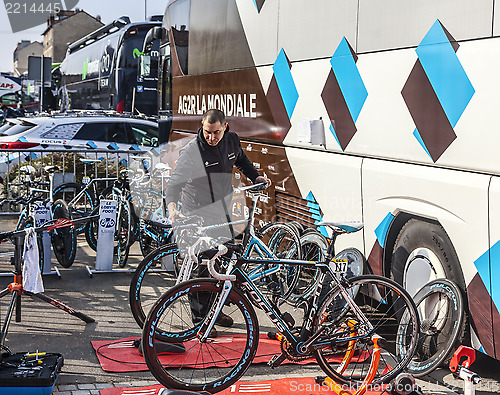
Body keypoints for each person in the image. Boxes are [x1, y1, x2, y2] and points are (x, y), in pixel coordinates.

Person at [165, 109, 270, 330]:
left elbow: (240, 159)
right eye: (207, 132)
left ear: (225, 128)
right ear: (202, 127)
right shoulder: (192, 152)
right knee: (203, 266)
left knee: (224, 262)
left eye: (216, 133)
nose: (211, 137)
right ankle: (200, 321)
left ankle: (215, 309)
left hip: (223, 210)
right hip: (198, 211)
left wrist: (256, 176)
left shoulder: (231, 140)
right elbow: (174, 184)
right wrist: (173, 207)